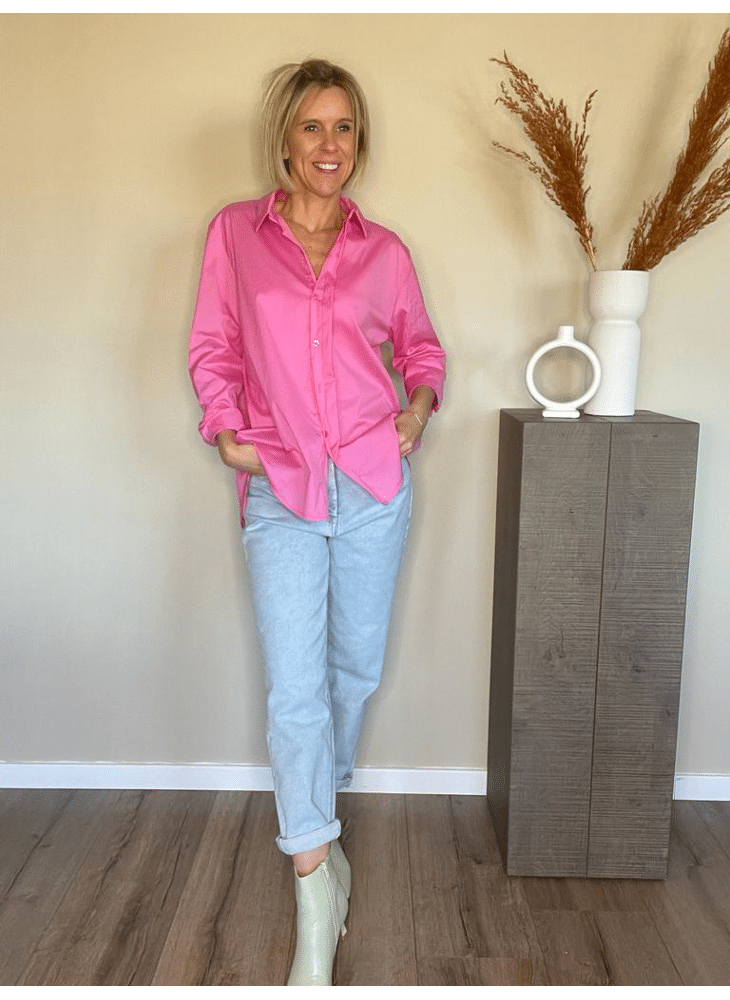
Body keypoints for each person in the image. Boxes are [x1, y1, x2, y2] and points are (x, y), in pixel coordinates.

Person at [188, 58, 446, 986]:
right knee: (294, 690)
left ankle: (320, 841)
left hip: (373, 488)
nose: (329, 144)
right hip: (285, 490)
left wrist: (416, 413)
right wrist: (227, 431)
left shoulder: (386, 252)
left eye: (343, 127)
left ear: (357, 143)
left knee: (352, 672)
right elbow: (215, 346)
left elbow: (422, 349)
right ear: (286, 139)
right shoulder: (235, 234)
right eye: (312, 126)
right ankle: (312, 898)